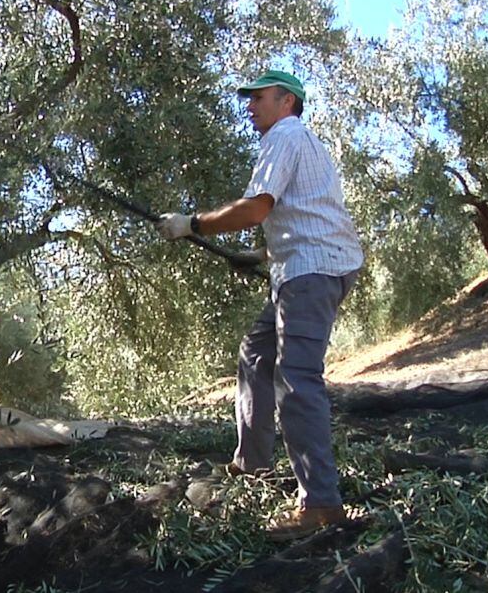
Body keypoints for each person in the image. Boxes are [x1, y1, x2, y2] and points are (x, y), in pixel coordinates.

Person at [155, 70, 364, 541]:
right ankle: (253, 463)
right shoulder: (300, 141)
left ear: (286, 101)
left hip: (311, 273)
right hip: (306, 267)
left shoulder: (284, 136)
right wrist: (255, 257)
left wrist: (192, 224)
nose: (249, 106)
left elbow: (256, 208)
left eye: (258, 97)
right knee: (255, 353)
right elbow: (302, 215)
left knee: (297, 380)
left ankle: (322, 505)